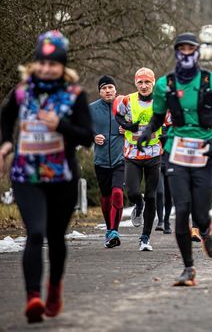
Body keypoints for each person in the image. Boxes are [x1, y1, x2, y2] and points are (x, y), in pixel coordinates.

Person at [0, 30, 94, 323]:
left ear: (62, 66)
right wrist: (5, 143)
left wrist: (61, 125)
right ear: (35, 62)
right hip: (26, 175)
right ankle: (33, 298)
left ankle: (53, 289)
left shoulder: (75, 95)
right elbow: (6, 118)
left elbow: (88, 136)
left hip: (62, 177)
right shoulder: (21, 91)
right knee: (36, 232)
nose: (46, 68)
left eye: (53, 64)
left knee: (55, 237)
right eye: (42, 62)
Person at [138, 32, 212, 286]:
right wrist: (148, 131)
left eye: (189, 49)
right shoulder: (164, 85)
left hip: (205, 152)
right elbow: (158, 117)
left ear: (196, 53)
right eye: (180, 49)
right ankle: (188, 268)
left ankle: (205, 229)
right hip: (176, 151)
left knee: (200, 211)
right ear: (175, 53)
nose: (185, 54)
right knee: (182, 210)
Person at [115, 67, 163, 252]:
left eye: (147, 82)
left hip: (153, 155)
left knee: (151, 195)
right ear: (136, 83)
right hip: (132, 155)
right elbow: (118, 114)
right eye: (140, 82)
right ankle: (138, 204)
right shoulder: (128, 100)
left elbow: (168, 122)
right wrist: (127, 125)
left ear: (153, 83)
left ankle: (145, 237)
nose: (143, 86)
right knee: (133, 192)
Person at [89, 75, 125, 248]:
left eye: (110, 87)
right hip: (101, 161)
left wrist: (127, 129)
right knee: (105, 198)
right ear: (100, 91)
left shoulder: (125, 106)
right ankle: (110, 230)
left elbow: (139, 125)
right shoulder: (92, 109)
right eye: (104, 88)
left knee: (117, 193)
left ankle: (114, 230)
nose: (108, 90)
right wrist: (94, 137)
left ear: (115, 89)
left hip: (121, 159)